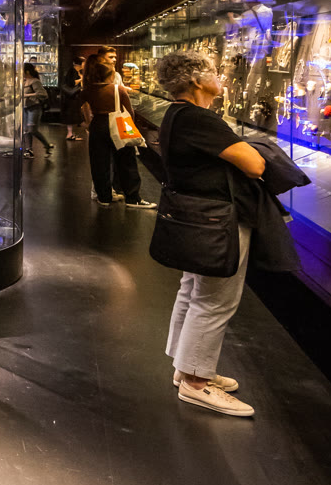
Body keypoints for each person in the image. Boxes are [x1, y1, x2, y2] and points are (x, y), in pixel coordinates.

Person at [156, 48, 266, 418]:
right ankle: (196, 382)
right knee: (216, 299)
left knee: (193, 289)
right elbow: (254, 164)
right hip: (216, 220)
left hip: (196, 217)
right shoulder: (199, 119)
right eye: (213, 71)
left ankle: (186, 366)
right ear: (196, 80)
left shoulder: (178, 114)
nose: (220, 76)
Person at [81, 46, 143, 206]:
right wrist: (131, 127)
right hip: (119, 123)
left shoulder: (89, 89)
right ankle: (132, 198)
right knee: (127, 161)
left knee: (99, 162)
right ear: (109, 75)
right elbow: (129, 111)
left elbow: (79, 105)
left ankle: (104, 197)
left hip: (98, 123)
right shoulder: (118, 89)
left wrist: (87, 122)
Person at [22, 61, 52, 158]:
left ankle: (47, 145)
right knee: (26, 130)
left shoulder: (35, 81)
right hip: (25, 108)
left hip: (34, 108)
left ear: (27, 71)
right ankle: (29, 150)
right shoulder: (23, 82)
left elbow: (43, 94)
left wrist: (27, 95)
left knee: (32, 130)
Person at [60, 54, 85, 142]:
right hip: (71, 98)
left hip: (72, 97)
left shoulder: (75, 71)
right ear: (79, 63)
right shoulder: (73, 71)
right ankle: (71, 134)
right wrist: (82, 79)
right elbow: (72, 83)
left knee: (73, 116)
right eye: (83, 63)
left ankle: (70, 134)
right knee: (74, 116)